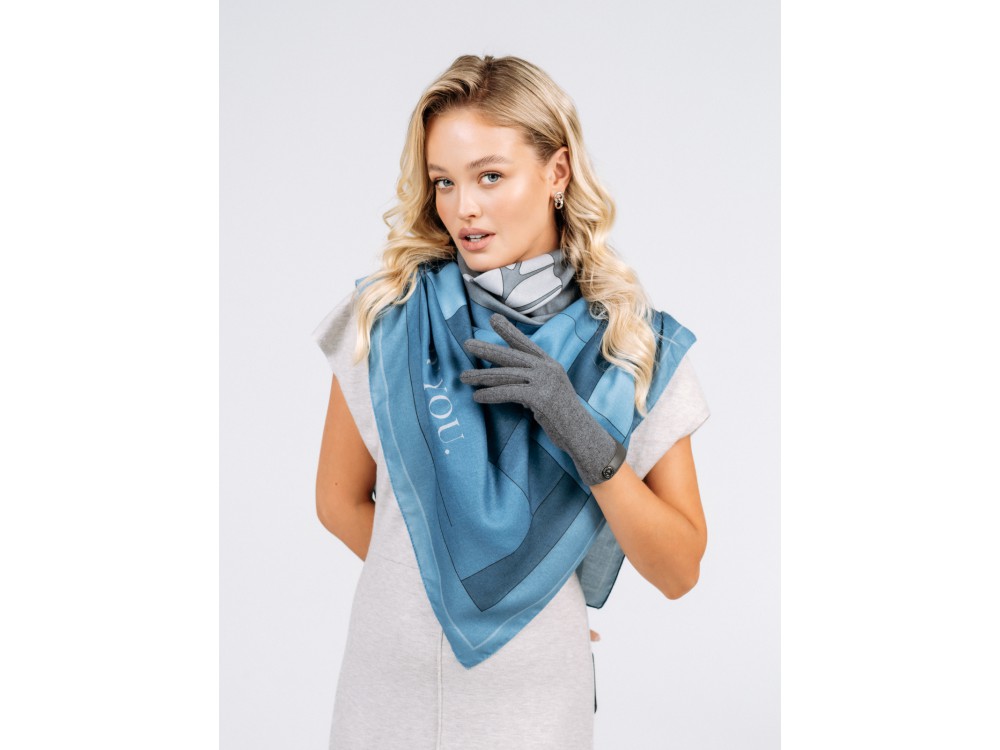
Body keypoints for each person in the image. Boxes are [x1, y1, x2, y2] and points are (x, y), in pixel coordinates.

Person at [311, 54, 710, 749]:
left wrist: (584, 434)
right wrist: (476, 596)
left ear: (557, 173)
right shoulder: (390, 318)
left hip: (534, 709)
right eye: (444, 181)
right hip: (386, 694)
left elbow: (679, 568)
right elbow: (337, 500)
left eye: (490, 176)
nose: (463, 207)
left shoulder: (630, 347)